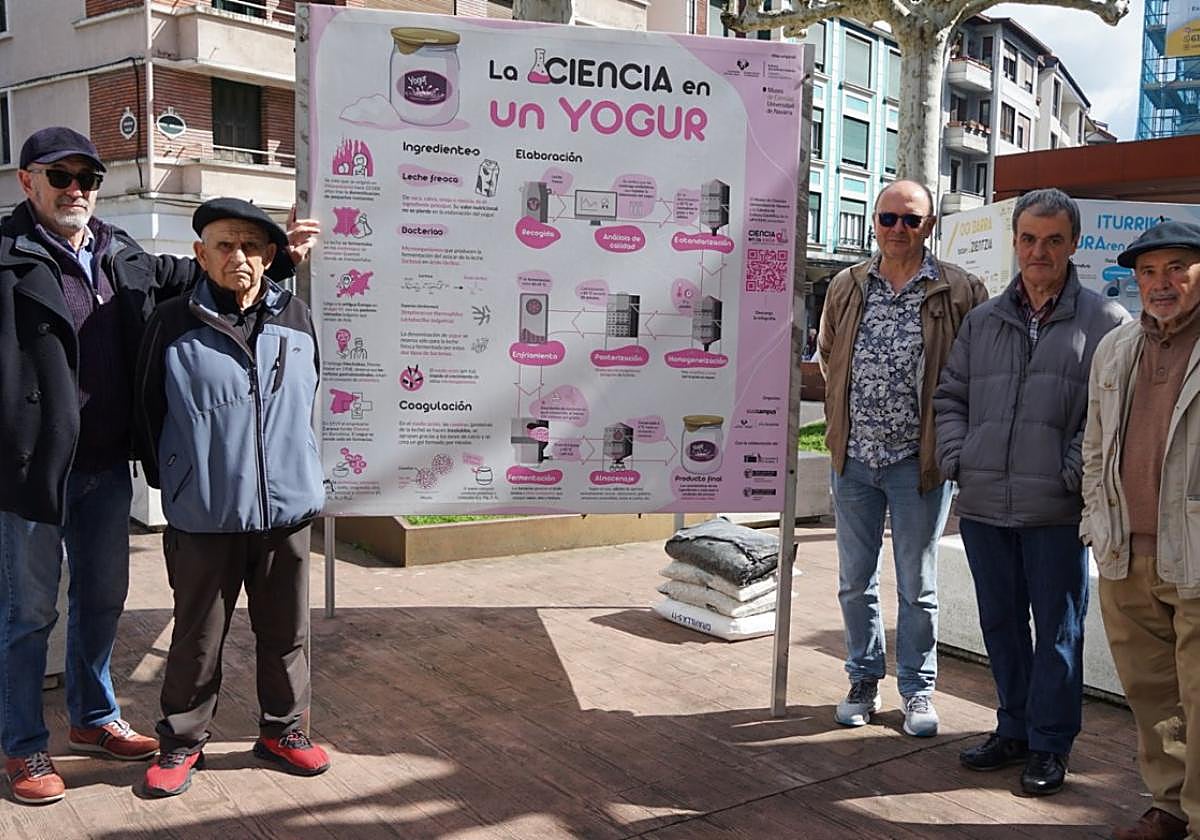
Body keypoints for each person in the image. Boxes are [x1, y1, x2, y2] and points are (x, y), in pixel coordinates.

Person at [0, 126, 316, 806]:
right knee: (27, 615)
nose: (76, 189)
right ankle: (24, 747)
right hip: (30, 471)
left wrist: (279, 255)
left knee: (100, 603)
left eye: (88, 177)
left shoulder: (121, 252)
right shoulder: (4, 255)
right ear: (27, 182)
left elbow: (207, 270)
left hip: (108, 466)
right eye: (61, 177)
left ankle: (92, 719)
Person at [934, 188, 1128, 796]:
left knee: (1059, 631)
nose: (1038, 250)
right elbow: (950, 398)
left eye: (1052, 239)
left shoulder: (1106, 323)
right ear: (1015, 242)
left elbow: (1107, 418)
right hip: (986, 503)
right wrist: (959, 458)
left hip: (1055, 511)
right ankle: (1012, 728)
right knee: (1002, 627)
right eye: (1028, 238)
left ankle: (1049, 744)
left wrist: (1068, 472)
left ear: (1073, 244)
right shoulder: (983, 319)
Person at [134, 198, 328, 798]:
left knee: (287, 631)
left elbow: (308, 395)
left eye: (250, 245)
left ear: (270, 256)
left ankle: (282, 730)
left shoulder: (296, 316)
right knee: (196, 636)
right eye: (223, 244)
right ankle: (182, 742)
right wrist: (179, 480)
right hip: (205, 514)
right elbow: (148, 409)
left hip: (285, 511)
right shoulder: (171, 321)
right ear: (200, 254)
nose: (237, 256)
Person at [817, 179, 987, 737]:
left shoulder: (960, 290)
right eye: (888, 218)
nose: (897, 230)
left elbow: (976, 375)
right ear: (873, 221)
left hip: (920, 464)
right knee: (854, 581)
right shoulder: (846, 285)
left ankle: (917, 690)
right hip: (854, 459)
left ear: (929, 227)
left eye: (910, 221)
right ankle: (863, 679)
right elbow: (828, 353)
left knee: (918, 585)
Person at [1081, 221, 1200, 840]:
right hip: (1127, 553)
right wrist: (1094, 523)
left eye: (1177, 267)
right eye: (1149, 272)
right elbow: (1096, 443)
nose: (1162, 283)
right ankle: (1170, 804)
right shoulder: (1118, 347)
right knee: (1153, 698)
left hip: (1197, 554)